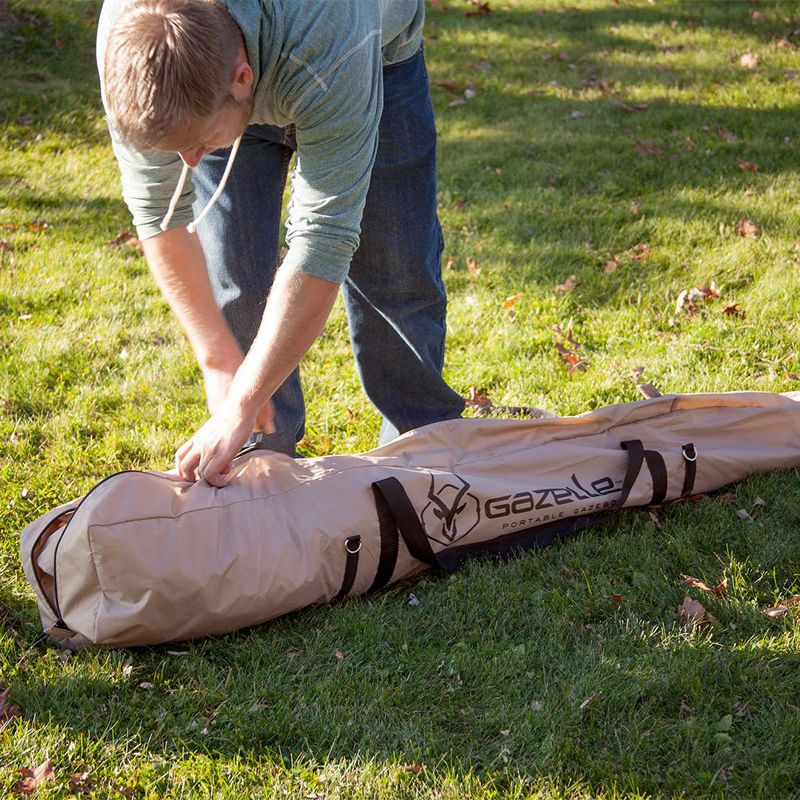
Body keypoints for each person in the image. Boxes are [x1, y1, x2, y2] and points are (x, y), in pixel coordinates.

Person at [96, 0, 465, 487]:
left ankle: (420, 461)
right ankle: (260, 468)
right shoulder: (130, 41)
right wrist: (219, 365)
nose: (190, 162)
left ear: (242, 78)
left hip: (369, 58)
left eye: (196, 143)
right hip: (224, 94)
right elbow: (158, 216)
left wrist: (242, 401)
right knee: (238, 286)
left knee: (395, 277)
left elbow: (322, 240)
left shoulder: (331, 40)